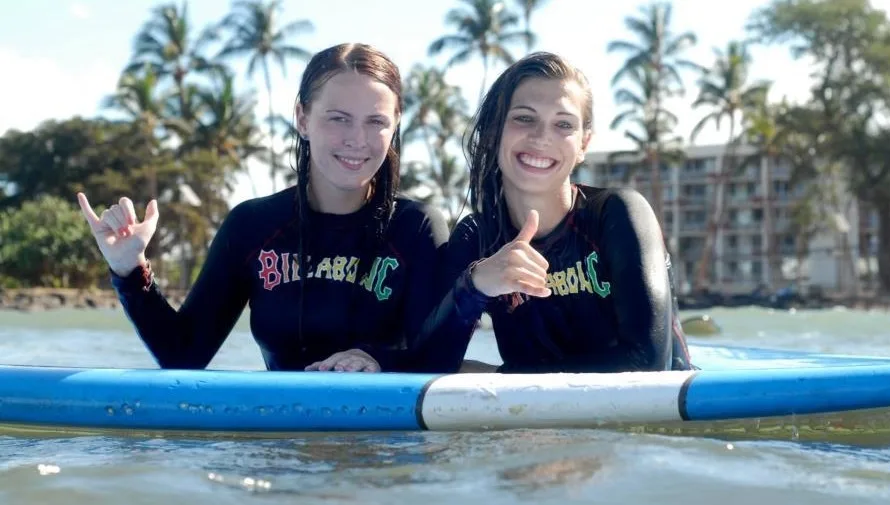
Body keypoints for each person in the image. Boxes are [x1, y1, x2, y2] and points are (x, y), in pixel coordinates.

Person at [77, 43, 449, 373]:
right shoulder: (253, 226)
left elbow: (436, 359)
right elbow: (184, 354)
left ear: (395, 124)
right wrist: (129, 270)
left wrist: (378, 359)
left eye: (376, 122)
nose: (357, 139)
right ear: (303, 119)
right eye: (338, 119)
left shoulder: (415, 228)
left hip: (383, 444)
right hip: (280, 445)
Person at [422, 52, 694, 373]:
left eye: (563, 124)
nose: (541, 137)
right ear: (495, 131)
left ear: (583, 144)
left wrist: (501, 376)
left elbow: (648, 364)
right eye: (524, 118)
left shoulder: (616, 215)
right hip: (532, 423)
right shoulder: (477, 237)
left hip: (655, 421)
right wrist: (477, 284)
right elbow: (428, 362)